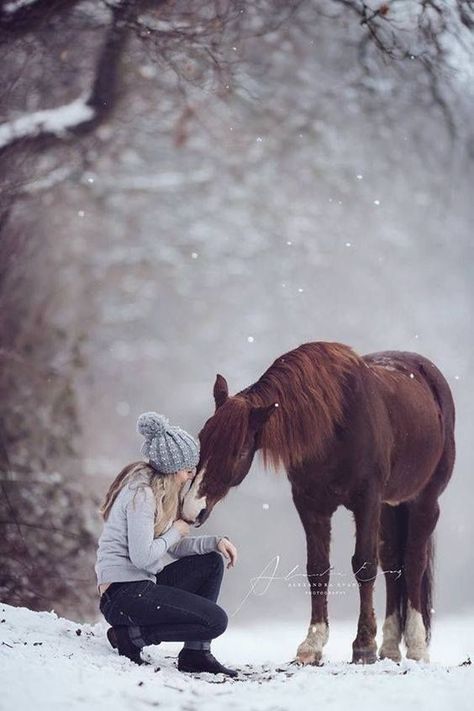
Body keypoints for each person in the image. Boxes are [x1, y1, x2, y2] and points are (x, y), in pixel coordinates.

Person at [95, 411, 238, 676]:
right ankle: (132, 637)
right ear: (172, 469)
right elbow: (143, 557)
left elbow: (169, 546)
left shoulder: (160, 493)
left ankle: (196, 654)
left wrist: (215, 542)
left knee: (211, 563)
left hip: (142, 585)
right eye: (187, 470)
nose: (190, 476)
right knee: (215, 621)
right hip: (122, 596)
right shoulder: (142, 494)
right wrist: (176, 530)